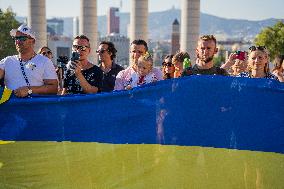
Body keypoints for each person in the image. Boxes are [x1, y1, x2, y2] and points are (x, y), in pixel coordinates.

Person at [0, 24, 58, 97]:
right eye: (16, 38)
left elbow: (54, 88)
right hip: (12, 107)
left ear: (32, 41)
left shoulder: (44, 61)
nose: (18, 41)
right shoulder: (7, 61)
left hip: (35, 107)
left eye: (22, 38)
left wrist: (29, 90)